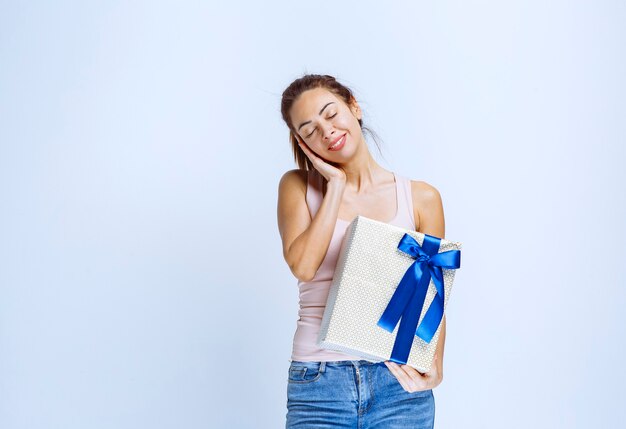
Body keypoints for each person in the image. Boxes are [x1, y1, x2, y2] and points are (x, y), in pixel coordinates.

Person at [277, 74, 447, 428]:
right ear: (301, 143)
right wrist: (335, 185)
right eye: (309, 130)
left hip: (397, 383)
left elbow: (433, 291)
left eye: (330, 113)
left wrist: (436, 364)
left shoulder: (420, 198)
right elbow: (304, 267)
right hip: (319, 382)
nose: (326, 131)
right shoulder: (297, 187)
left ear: (353, 106)